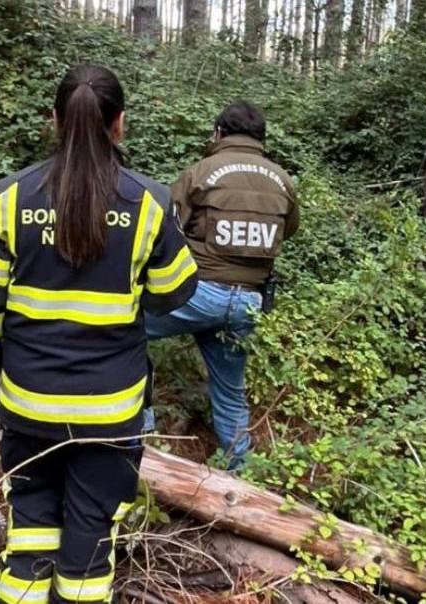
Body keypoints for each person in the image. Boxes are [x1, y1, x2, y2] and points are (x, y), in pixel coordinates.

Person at [0, 65, 197, 604]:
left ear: (56, 121)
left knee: (31, 526)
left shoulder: (11, 198)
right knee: (90, 537)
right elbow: (177, 290)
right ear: (121, 125)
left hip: (30, 401)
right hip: (109, 408)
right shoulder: (149, 203)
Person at [145, 101, 298, 469]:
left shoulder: (202, 171)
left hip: (197, 293)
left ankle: (140, 433)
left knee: (127, 326)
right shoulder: (283, 180)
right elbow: (289, 229)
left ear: (219, 133)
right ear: (261, 137)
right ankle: (237, 473)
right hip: (250, 302)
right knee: (230, 391)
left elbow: (164, 225)